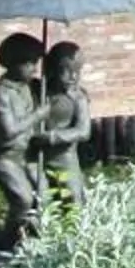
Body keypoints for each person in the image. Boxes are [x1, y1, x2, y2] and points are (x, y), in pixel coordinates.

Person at [0, 32, 47, 250]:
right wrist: (37, 115)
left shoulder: (32, 87)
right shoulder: (1, 94)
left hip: (28, 155)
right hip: (6, 159)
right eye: (30, 64)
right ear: (13, 63)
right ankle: (9, 243)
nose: (34, 69)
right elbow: (9, 131)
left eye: (36, 63)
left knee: (45, 196)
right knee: (23, 200)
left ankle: (36, 241)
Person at [34, 40, 93, 226]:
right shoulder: (41, 91)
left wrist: (53, 137)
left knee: (72, 200)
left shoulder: (78, 98)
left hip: (64, 158)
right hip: (38, 159)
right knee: (42, 201)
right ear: (52, 68)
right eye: (66, 70)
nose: (73, 76)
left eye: (78, 71)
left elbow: (84, 131)